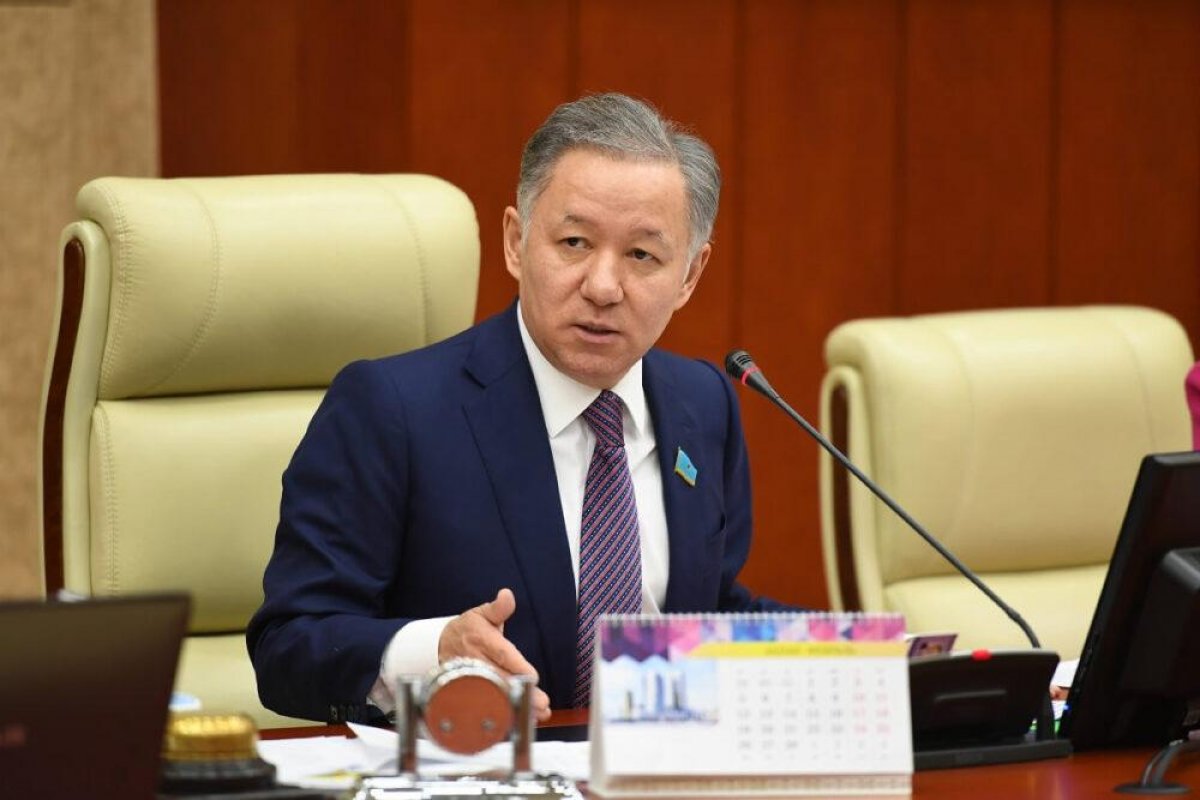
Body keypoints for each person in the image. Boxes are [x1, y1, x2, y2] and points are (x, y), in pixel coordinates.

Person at [247, 92, 785, 724]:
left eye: (642, 255)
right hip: (475, 766)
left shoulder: (704, 404)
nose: (603, 287)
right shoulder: (391, 411)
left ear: (690, 275)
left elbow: (708, 611)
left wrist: (871, 657)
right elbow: (289, 645)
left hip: (655, 763)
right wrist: (432, 652)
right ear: (516, 242)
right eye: (575, 242)